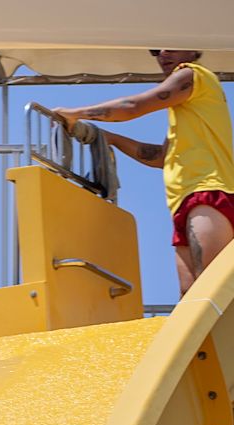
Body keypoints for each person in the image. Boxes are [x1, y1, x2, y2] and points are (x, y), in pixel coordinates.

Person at [53, 49, 234, 295]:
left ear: (193, 49)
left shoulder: (191, 74)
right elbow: (160, 157)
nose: (163, 54)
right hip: (184, 200)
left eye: (170, 45)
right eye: (155, 50)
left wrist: (74, 114)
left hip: (209, 192)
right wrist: (111, 139)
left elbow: (132, 106)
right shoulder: (187, 112)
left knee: (212, 294)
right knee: (191, 298)